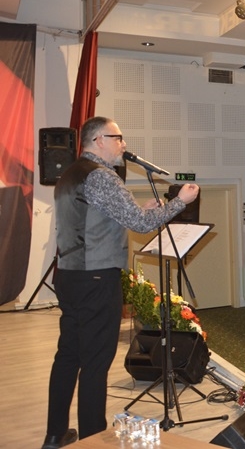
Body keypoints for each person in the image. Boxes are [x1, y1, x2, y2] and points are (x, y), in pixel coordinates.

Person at [46, 116, 200, 445]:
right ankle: (91, 438)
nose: (124, 144)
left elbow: (97, 219)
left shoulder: (70, 174)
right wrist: (180, 203)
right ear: (99, 140)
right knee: (95, 363)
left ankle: (55, 434)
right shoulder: (102, 176)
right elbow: (141, 224)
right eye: (118, 138)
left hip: (70, 275)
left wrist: (141, 209)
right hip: (96, 277)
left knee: (68, 355)